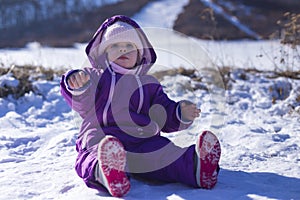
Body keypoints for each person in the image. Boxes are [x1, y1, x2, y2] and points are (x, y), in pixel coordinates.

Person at [60, 15, 221, 197]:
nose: (122, 48)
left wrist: (179, 113)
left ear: (140, 53)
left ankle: (196, 166)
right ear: (105, 52)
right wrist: (76, 84)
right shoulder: (96, 76)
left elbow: (163, 113)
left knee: (163, 154)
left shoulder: (149, 84)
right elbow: (81, 101)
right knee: (92, 154)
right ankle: (106, 172)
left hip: (141, 139)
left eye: (129, 46)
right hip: (101, 136)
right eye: (114, 45)